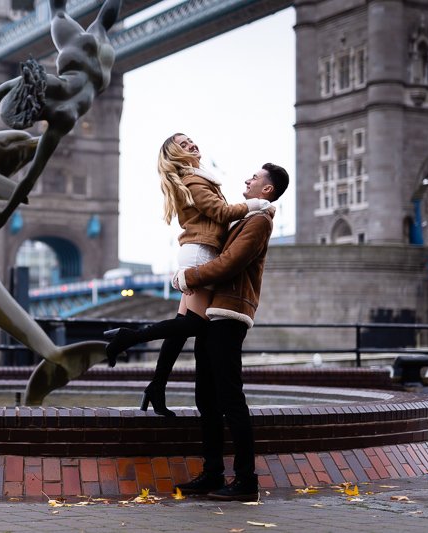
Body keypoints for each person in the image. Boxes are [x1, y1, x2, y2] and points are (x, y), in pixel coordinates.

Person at [102, 133, 270, 416]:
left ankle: (156, 386)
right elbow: (219, 212)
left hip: (197, 250)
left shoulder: (195, 178)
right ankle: (127, 336)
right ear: (176, 155)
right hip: (201, 252)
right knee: (195, 326)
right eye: (183, 144)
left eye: (191, 140)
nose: (192, 144)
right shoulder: (194, 180)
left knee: (182, 326)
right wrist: (255, 206)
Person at [173, 162, 289, 502]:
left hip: (230, 312)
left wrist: (188, 277)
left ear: (266, 189)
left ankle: (245, 480)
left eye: (254, 177)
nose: (247, 180)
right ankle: (212, 473)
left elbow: (230, 263)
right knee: (206, 397)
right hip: (213, 313)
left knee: (230, 398)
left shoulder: (258, 221)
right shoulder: (244, 218)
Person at [0, 0, 122, 237]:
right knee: (60, 11)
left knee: (99, 23)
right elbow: (3, 88)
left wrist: (3, 215)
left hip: (101, 73)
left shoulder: (63, 119)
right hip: (79, 50)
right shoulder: (46, 84)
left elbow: (29, 178)